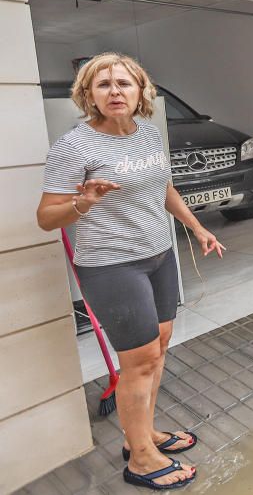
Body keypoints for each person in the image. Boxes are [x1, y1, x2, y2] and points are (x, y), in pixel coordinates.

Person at [36, 53, 225, 491]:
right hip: (111, 265)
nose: (115, 92)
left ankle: (146, 435)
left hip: (159, 256)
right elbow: (47, 218)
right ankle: (140, 458)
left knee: (158, 346)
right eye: (103, 85)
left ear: (142, 90)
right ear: (88, 95)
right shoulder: (74, 147)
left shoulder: (147, 136)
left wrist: (195, 227)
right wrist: (85, 202)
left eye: (124, 83)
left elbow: (164, 186)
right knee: (139, 362)